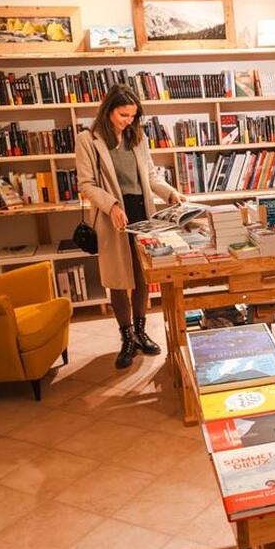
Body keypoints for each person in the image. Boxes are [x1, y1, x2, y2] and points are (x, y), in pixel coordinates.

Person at [76, 84, 186, 368]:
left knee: (141, 276)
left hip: (141, 214)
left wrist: (170, 193)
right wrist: (111, 205)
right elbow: (86, 184)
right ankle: (126, 338)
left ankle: (140, 332)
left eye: (133, 116)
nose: (129, 120)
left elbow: (150, 176)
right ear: (109, 110)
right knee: (117, 279)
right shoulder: (88, 139)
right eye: (124, 115)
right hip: (112, 214)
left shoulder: (138, 136)